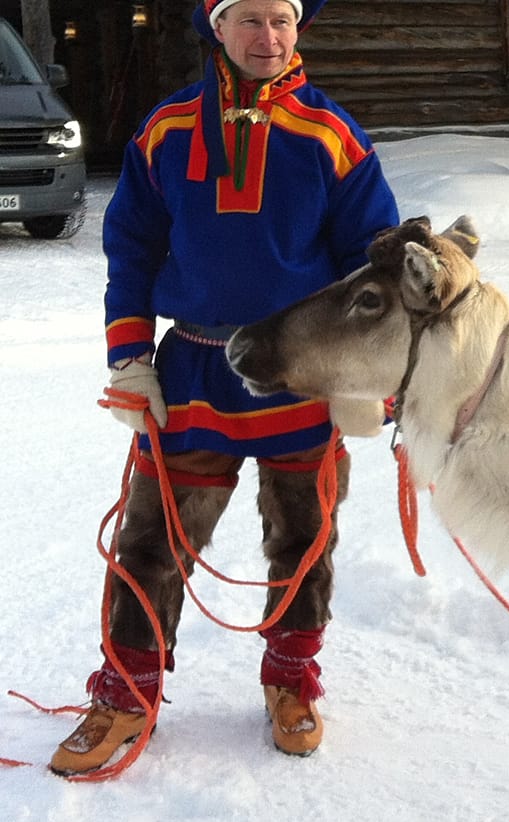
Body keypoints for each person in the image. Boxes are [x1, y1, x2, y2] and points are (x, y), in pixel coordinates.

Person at [49, 0, 400, 775]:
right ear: (218, 27)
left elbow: (373, 266)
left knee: (305, 538)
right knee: (151, 540)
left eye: (280, 20)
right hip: (195, 370)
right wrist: (130, 356)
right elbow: (132, 246)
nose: (267, 38)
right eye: (250, 21)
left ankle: (291, 679)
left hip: (300, 377)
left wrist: (366, 373)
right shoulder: (166, 128)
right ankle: (126, 693)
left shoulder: (334, 135)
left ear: (298, 27)